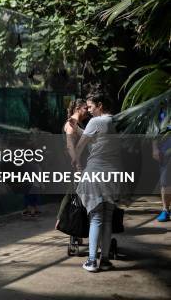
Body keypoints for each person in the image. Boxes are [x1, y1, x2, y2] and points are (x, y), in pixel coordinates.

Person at [74, 92, 121, 272]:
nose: (89, 110)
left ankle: (92, 261)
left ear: (100, 105)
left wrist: (75, 162)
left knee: (95, 217)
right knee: (107, 218)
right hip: (114, 174)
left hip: (96, 173)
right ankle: (106, 259)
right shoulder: (115, 121)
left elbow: (81, 145)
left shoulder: (96, 121)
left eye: (91, 107)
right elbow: (99, 137)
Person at [55, 98, 89, 226]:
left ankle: (67, 225)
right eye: (85, 108)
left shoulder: (78, 124)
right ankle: (62, 222)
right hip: (74, 164)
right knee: (74, 195)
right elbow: (70, 145)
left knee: (73, 193)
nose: (87, 111)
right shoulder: (71, 123)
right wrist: (77, 164)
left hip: (78, 163)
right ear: (78, 108)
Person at [153, 108, 171, 222]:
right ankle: (165, 210)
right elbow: (154, 131)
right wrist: (154, 148)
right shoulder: (161, 111)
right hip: (165, 152)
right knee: (165, 182)